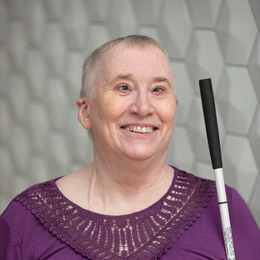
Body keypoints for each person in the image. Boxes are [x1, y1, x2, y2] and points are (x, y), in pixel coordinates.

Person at [0, 35, 259, 260]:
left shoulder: (224, 208)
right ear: (86, 111)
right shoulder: (24, 221)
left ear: (174, 109)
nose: (143, 107)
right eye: (124, 87)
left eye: (158, 89)